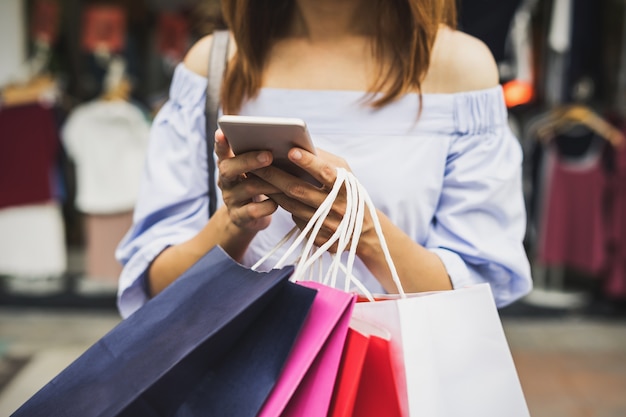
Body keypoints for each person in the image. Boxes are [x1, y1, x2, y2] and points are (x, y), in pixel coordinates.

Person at [116, 0, 533, 319]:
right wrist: (235, 221)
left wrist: (365, 231)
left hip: (396, 386)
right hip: (241, 388)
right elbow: (157, 289)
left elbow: (477, 297)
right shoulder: (213, 65)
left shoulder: (459, 68)